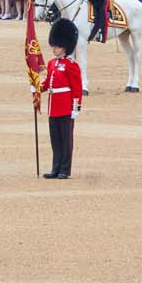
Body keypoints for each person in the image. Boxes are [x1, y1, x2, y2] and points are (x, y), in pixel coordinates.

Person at [41, 19, 82, 179]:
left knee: (66, 140)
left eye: (57, 47)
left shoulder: (71, 66)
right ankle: (55, 168)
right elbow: (47, 83)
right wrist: (37, 88)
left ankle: (65, 169)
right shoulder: (51, 64)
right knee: (55, 140)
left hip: (65, 107)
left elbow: (76, 88)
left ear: (65, 47)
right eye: (53, 46)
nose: (54, 49)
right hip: (53, 106)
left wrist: (75, 108)